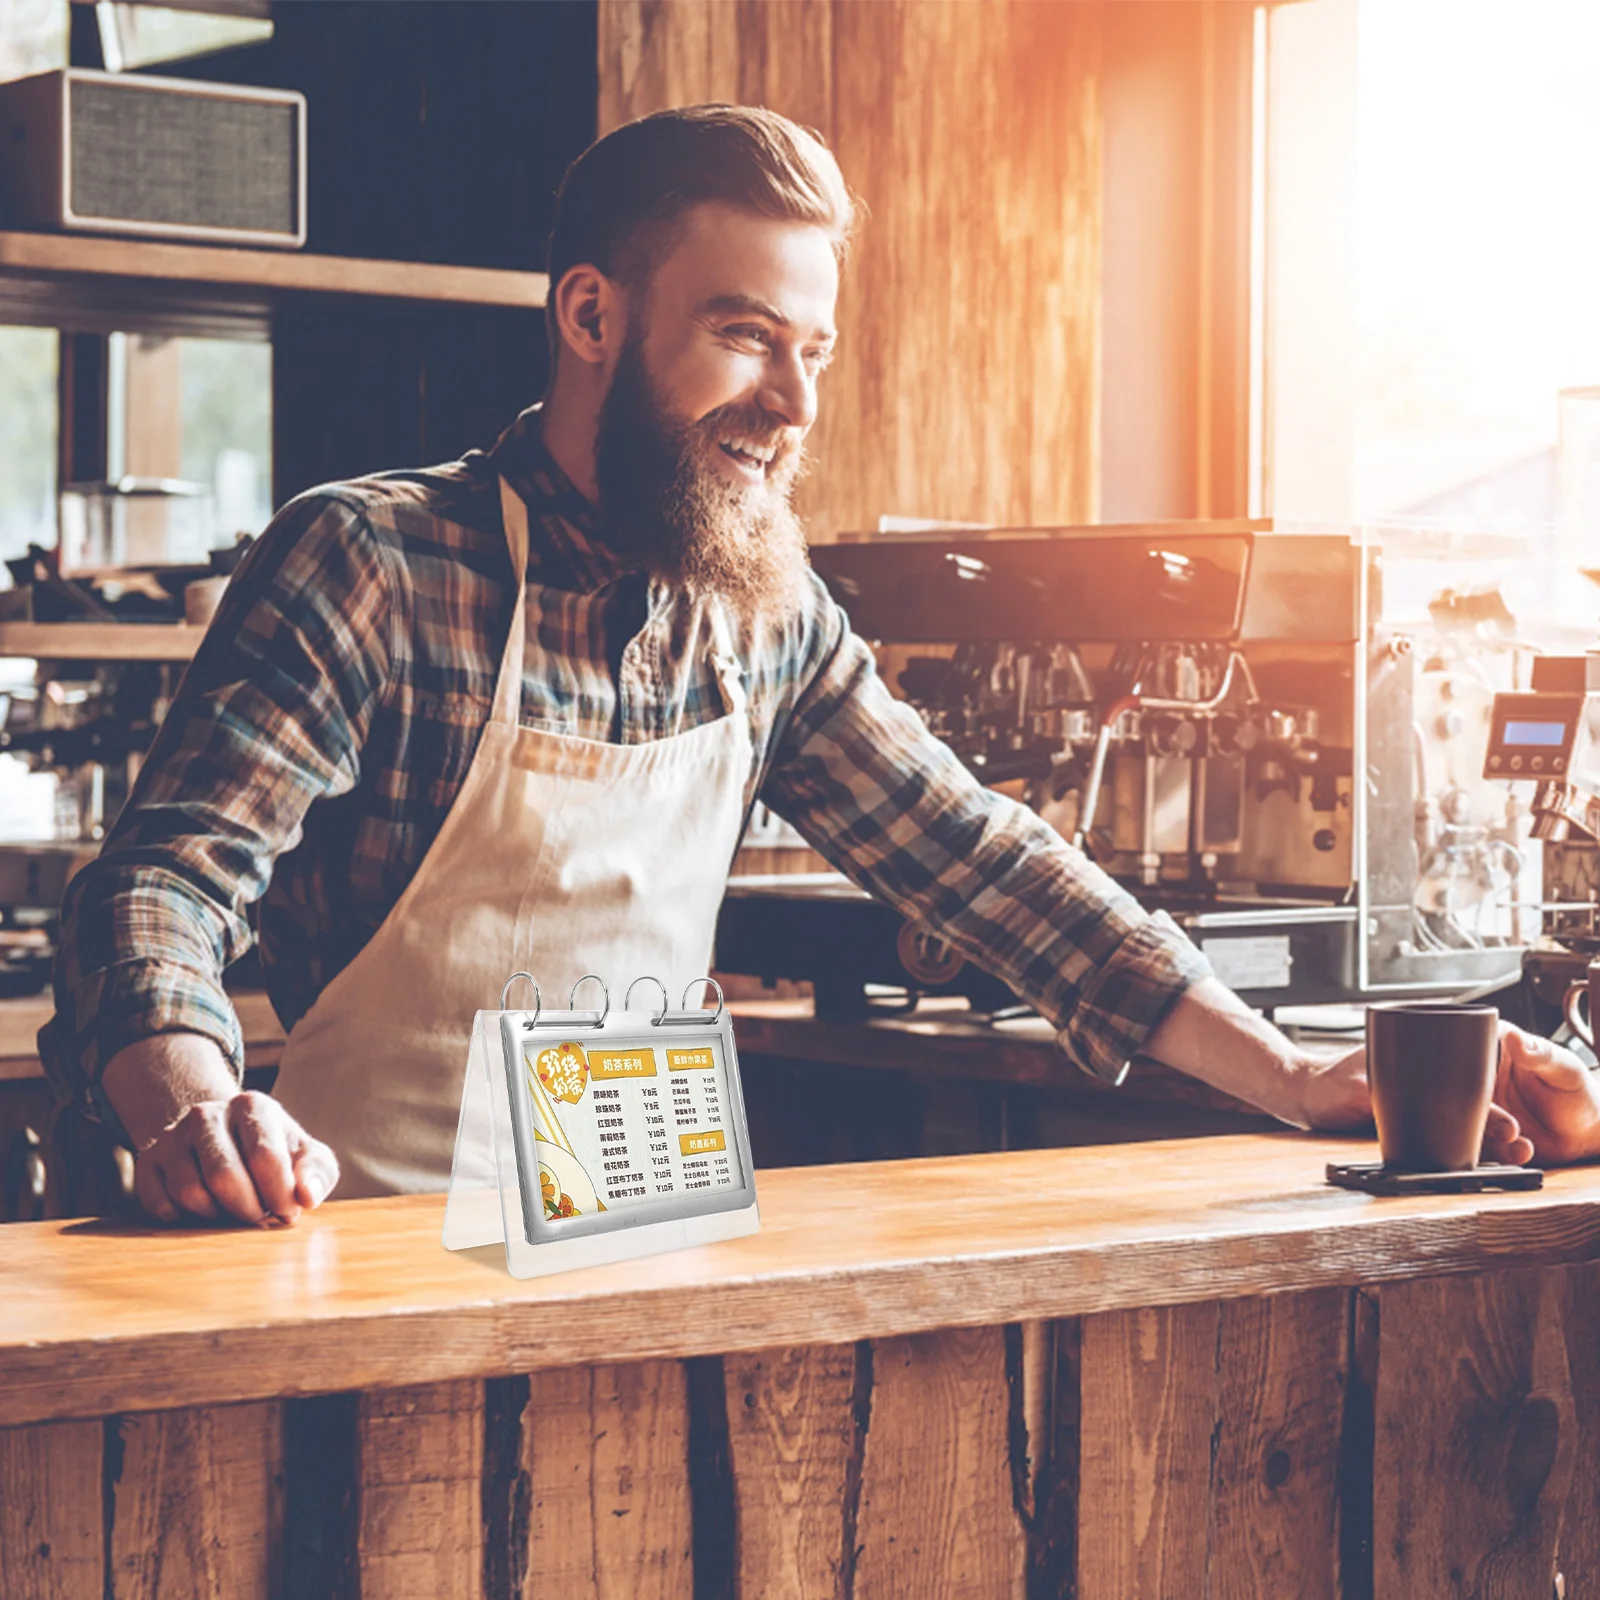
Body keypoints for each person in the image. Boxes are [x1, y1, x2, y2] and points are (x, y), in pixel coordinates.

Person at [42, 105, 1600, 1227]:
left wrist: (1296, 1074)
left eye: (814, 351)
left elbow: (985, 865)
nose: (792, 402)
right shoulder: (376, 564)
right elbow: (163, 883)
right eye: (742, 337)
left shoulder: (765, 614)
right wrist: (195, 1107)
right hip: (363, 1269)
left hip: (645, 1250)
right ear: (591, 315)